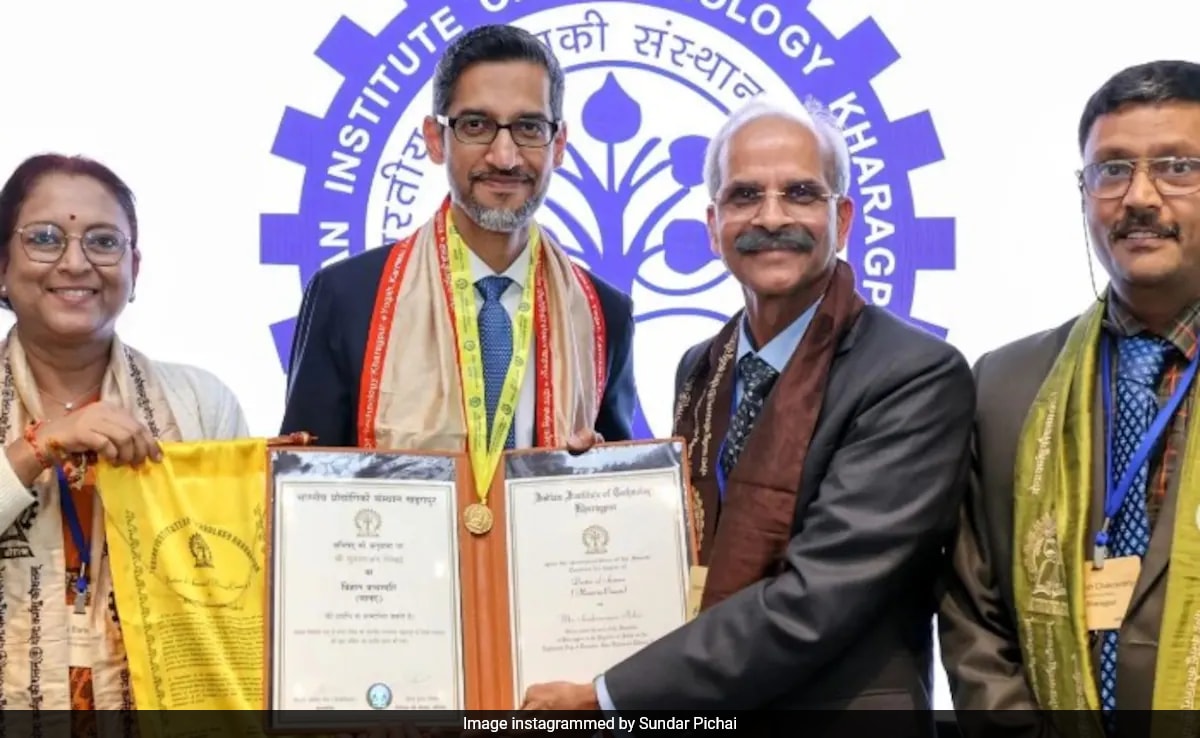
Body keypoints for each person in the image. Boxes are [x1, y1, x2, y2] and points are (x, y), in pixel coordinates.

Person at [517, 96, 975, 732]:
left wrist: (608, 697)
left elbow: (817, 600)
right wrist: (597, 492)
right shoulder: (702, 367)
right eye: (744, 196)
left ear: (842, 216)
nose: (771, 217)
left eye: (800, 194)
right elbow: (694, 552)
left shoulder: (913, 375)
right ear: (713, 225)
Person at [938, 60, 1200, 738]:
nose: (1140, 197)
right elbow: (973, 612)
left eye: (1177, 167)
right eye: (1111, 170)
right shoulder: (1005, 385)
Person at [279, 24, 636, 469]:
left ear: (558, 144)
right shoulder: (349, 297)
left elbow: (620, 487)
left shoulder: (602, 313)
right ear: (435, 138)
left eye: (529, 127)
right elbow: (302, 489)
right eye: (476, 125)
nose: (504, 156)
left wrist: (594, 473)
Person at [0, 153, 248, 716]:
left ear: (134, 267)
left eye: (104, 242)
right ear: (2, 266)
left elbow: (242, 587)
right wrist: (38, 447)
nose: (75, 262)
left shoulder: (200, 403)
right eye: (44, 238)